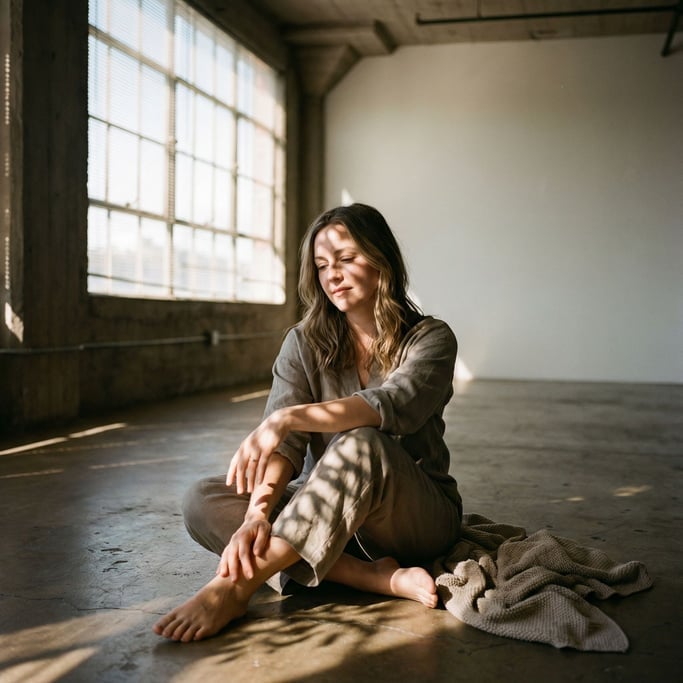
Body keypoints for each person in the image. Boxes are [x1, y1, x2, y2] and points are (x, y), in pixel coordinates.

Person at [153, 203, 463, 642]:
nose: (332, 274)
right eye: (322, 266)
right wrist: (256, 516)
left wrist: (287, 417)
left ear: (382, 261)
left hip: (412, 517)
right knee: (202, 498)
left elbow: (390, 406)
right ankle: (370, 578)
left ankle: (233, 588)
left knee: (360, 444)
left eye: (347, 259)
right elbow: (287, 446)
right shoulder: (303, 341)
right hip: (327, 510)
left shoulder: (432, 338)